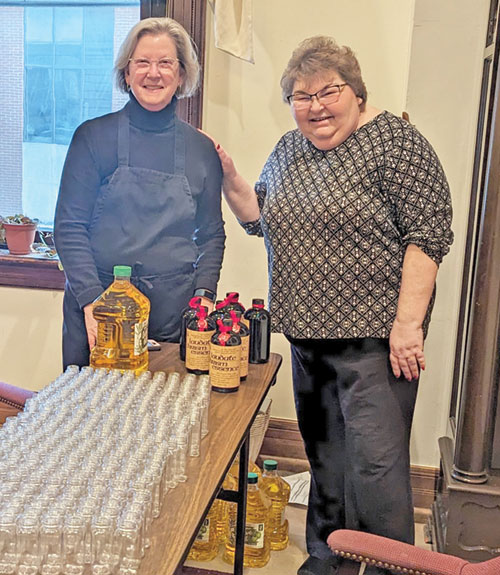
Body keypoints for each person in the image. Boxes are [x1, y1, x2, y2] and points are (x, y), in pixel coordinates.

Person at [214, 36, 453, 575]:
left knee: (376, 474)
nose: (316, 106)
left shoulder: (396, 143)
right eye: (302, 96)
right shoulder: (288, 150)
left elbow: (429, 235)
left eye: (329, 92)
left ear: (357, 92)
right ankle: (327, 560)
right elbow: (260, 216)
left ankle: (394, 568)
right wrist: (230, 178)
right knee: (327, 465)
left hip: (373, 348)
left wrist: (408, 327)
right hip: (308, 345)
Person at [54, 17, 225, 369]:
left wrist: (204, 295)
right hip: (99, 306)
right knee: (93, 415)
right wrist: (91, 303)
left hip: (171, 315)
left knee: (162, 416)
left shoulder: (201, 149)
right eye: (142, 62)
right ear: (127, 73)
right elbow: (69, 228)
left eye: (165, 63)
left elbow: (211, 234)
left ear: (181, 75)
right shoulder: (91, 138)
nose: (154, 73)